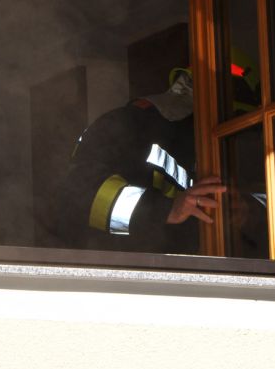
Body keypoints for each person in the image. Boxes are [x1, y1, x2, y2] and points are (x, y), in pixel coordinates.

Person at [48, 69, 224, 254]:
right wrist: (165, 210)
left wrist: (234, 215)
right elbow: (78, 193)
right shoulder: (129, 123)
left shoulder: (209, 153)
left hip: (175, 267)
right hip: (111, 266)